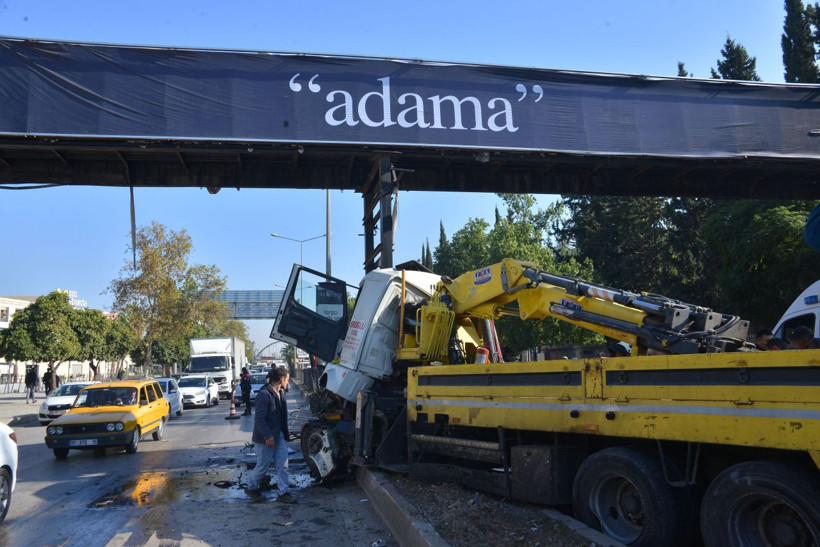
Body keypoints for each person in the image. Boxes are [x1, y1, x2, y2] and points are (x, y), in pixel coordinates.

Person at [245, 367, 296, 504]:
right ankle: (251, 488)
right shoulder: (264, 394)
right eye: (287, 379)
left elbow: (282, 417)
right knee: (263, 467)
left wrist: (285, 434)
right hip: (264, 439)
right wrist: (268, 436)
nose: (288, 382)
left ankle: (283, 492)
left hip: (279, 436)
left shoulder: (281, 393)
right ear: (281, 379)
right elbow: (259, 419)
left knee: (283, 465)